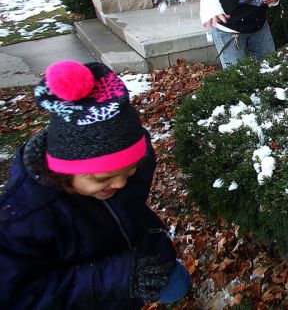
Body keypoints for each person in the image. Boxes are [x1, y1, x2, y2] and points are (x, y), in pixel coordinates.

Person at [0, 61, 191, 308]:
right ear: (63, 173)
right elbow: (22, 296)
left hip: (142, 255)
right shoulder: (25, 219)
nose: (122, 183)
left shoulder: (128, 166)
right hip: (93, 293)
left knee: (176, 286)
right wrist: (117, 279)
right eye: (102, 179)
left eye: (130, 169)